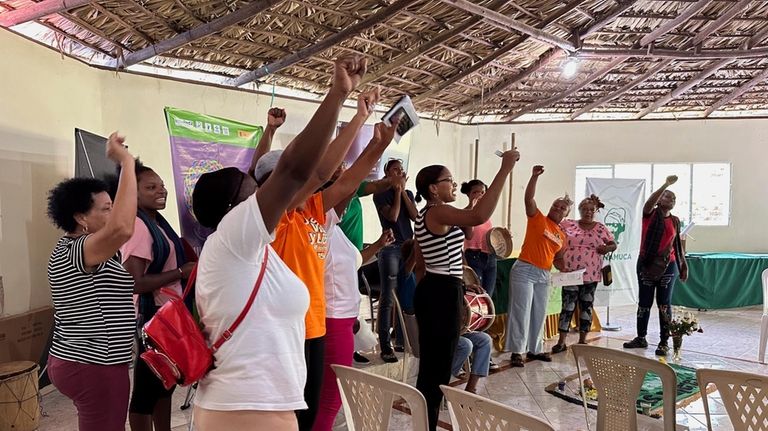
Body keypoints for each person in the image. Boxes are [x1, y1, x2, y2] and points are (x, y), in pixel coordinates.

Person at [190, 55, 367, 431]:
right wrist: (336, 95)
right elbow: (297, 170)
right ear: (233, 207)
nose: (261, 191)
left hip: (260, 404)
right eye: (251, 187)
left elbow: (317, 173)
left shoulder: (248, 249)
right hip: (247, 409)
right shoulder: (234, 236)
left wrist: (352, 111)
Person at [250, 85, 380, 431]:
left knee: (309, 411)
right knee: (284, 414)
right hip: (282, 329)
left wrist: (376, 141)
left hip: (314, 324)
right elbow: (321, 173)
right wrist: (349, 108)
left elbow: (348, 180)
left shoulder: (311, 209)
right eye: (294, 176)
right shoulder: (273, 215)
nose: (305, 180)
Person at [413, 148, 520, 431]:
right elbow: (480, 216)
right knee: (436, 368)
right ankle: (427, 422)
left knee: (435, 365)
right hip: (441, 291)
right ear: (433, 189)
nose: (454, 184)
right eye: (449, 180)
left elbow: (421, 263)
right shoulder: (438, 212)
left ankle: (426, 421)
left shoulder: (429, 216)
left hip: (437, 288)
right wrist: (504, 170)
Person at [312, 120, 401, 431]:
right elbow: (349, 184)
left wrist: (377, 245)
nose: (348, 199)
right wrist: (377, 146)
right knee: (329, 400)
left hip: (342, 316)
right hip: (331, 319)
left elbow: (352, 263)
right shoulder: (317, 222)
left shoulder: (333, 229)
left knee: (327, 397)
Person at [46, 133, 137, 431]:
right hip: (93, 362)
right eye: (105, 209)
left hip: (81, 358)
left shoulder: (78, 248)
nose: (112, 214)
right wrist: (125, 162)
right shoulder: (81, 250)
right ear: (80, 217)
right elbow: (123, 228)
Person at [120, 161, 195, 431]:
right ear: (133, 193)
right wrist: (179, 272)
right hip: (153, 320)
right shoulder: (139, 227)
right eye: (151, 187)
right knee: (146, 393)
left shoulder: (157, 222)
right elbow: (134, 282)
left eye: (161, 185)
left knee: (164, 385)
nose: (160, 191)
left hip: (168, 315)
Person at [505, 165, 569, 368]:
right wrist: (534, 177)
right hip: (525, 269)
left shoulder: (562, 235)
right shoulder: (538, 218)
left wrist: (567, 269)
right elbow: (528, 200)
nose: (557, 209)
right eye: (555, 205)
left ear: (565, 214)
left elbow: (558, 258)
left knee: (539, 312)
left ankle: (535, 348)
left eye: (562, 208)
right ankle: (517, 351)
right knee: (521, 310)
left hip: (544, 274)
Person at [624, 175, 688, 356]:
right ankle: (641, 337)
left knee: (664, 304)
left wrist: (684, 264)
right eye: (667, 196)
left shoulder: (675, 220)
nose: (671, 199)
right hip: (647, 264)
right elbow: (648, 203)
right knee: (644, 303)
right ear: (659, 199)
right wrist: (666, 184)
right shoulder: (649, 214)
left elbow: (677, 244)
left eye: (673, 198)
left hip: (669, 266)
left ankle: (664, 341)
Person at [552, 194, 616, 353]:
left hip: (591, 274)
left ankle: (582, 340)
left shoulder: (600, 228)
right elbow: (554, 236)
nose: (588, 212)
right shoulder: (567, 224)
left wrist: (606, 248)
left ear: (596, 211)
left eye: (591, 210)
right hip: (570, 273)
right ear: (579, 210)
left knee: (586, 306)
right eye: (585, 209)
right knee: (567, 306)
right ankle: (561, 341)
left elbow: (613, 244)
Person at [373, 158, 418, 362]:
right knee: (388, 297)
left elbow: (416, 216)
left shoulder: (408, 193)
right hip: (390, 248)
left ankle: (401, 340)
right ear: (387, 174)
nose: (399, 172)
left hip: (408, 247)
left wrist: (404, 193)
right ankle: (385, 345)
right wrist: (398, 192)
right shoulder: (380, 193)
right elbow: (392, 216)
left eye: (401, 169)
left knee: (406, 293)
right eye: (395, 170)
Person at [460, 180, 497, 296]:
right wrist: (471, 206)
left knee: (488, 296)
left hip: (490, 257)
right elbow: (469, 234)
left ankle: (487, 315)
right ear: (469, 194)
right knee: (476, 294)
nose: (480, 195)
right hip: (474, 257)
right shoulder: (464, 212)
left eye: (483, 192)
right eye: (476, 192)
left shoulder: (486, 215)